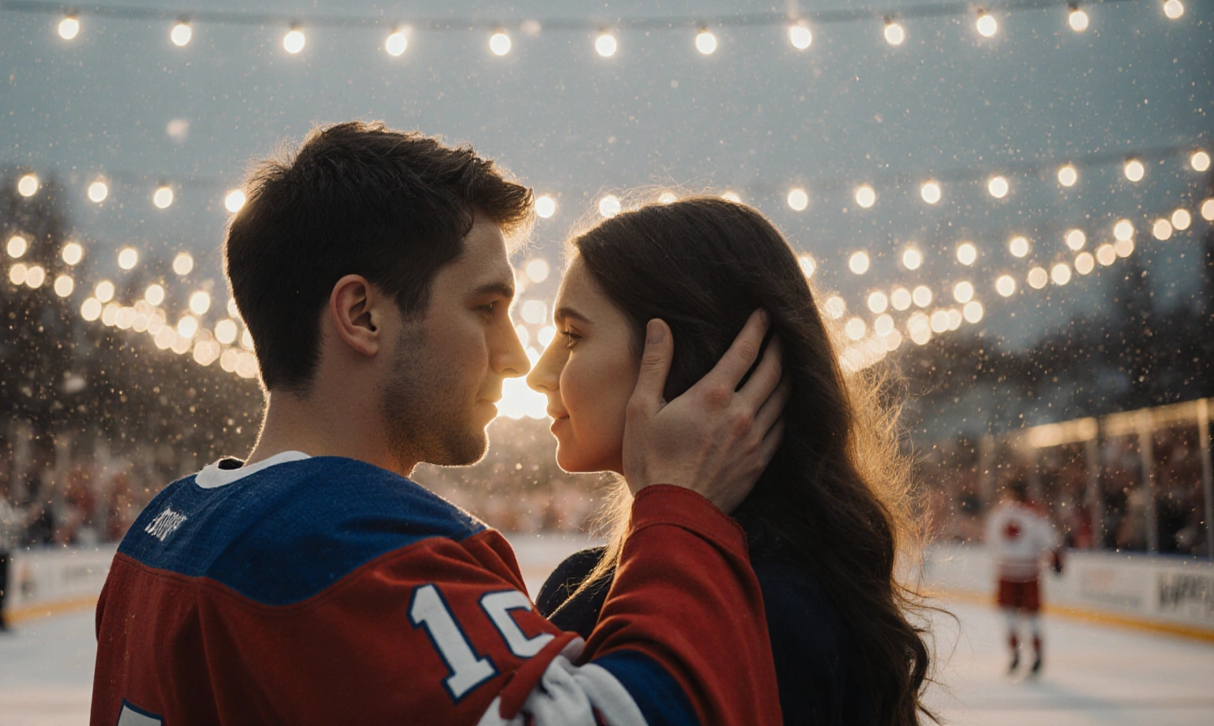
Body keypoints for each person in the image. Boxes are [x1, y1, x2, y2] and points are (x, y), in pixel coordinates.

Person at [91, 123, 790, 725]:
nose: (516, 358)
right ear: (362, 315)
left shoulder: (165, 530)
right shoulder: (348, 548)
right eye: (486, 307)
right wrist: (682, 511)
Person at [527, 198, 935, 726]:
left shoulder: (777, 615)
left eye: (572, 336)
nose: (538, 374)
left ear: (689, 360)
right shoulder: (579, 582)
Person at [985, 478, 1061, 675]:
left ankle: (1015, 655)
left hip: (1007, 570)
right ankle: (1036, 655)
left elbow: (991, 542)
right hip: (1028, 572)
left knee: (1009, 615)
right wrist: (1055, 558)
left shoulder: (998, 512)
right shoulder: (1034, 513)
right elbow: (1050, 541)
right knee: (1032, 616)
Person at [0, 467, 41, 631]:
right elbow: (3, 522)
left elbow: (10, 520)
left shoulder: (1, 502)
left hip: (2, 550)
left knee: (2, 586)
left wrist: (23, 517)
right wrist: (25, 516)